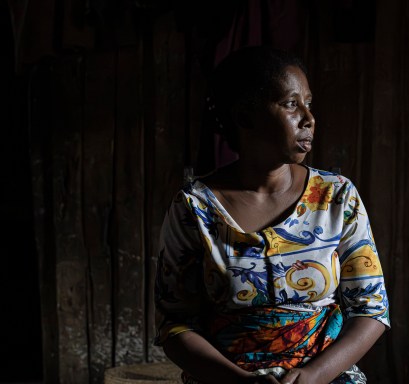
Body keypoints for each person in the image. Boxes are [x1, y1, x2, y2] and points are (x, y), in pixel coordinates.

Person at [153, 46, 389, 384]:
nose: (308, 118)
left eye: (309, 103)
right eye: (291, 104)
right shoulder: (195, 208)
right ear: (246, 116)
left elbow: (371, 309)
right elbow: (174, 323)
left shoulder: (336, 196)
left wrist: (313, 375)